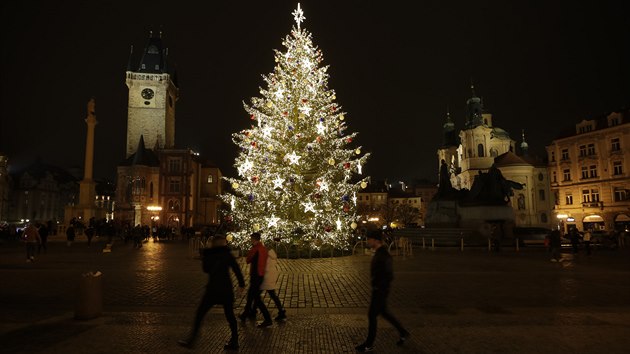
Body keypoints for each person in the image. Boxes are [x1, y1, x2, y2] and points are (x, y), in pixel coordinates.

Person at [178, 234, 245, 350]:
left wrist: (208, 254)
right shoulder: (227, 254)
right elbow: (237, 269)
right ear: (223, 243)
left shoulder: (210, 254)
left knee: (200, 314)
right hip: (226, 290)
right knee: (230, 316)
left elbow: (206, 269)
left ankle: (192, 339)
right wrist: (241, 284)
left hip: (213, 289)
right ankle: (235, 340)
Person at [355, 230, 409, 352]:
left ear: (376, 240)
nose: (367, 241)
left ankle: (369, 344)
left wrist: (379, 287)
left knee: (372, 315)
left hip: (380, 290)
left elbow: (389, 275)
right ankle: (403, 332)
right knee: (384, 313)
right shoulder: (379, 253)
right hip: (379, 289)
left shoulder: (383, 255)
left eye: (369, 239)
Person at [239, 232, 273, 327]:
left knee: (256, 299)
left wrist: (251, 250)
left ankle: (268, 319)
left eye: (251, 239)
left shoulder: (256, 249)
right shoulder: (263, 249)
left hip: (256, 275)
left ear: (254, 239)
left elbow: (248, 260)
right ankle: (245, 315)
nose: (250, 241)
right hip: (260, 275)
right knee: (250, 296)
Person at [259, 248, 287, 321]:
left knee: (257, 295)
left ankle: (281, 311)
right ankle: (281, 311)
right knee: (271, 294)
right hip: (270, 276)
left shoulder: (267, 256)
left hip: (267, 277)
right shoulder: (271, 255)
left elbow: (266, 268)